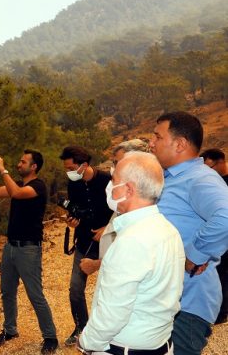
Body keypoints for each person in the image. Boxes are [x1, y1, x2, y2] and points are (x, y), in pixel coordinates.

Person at [77, 151, 184, 355]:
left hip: (124, 348)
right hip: (159, 344)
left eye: (114, 180)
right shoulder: (168, 230)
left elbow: (113, 313)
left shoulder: (130, 240)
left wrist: (87, 342)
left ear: (128, 189)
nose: (109, 186)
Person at [150, 111, 228, 354]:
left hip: (188, 305)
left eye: (157, 137)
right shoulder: (170, 179)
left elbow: (226, 215)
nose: (151, 143)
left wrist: (196, 254)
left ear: (180, 143)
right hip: (166, 302)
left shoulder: (199, 179)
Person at [0, 150, 59, 354]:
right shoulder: (17, 185)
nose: (19, 164)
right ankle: (10, 330)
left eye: (23, 161)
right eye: (18, 161)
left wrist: (3, 169)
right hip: (10, 247)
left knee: (35, 295)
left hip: (28, 249)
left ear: (34, 166)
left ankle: (50, 337)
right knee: (7, 291)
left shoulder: (37, 186)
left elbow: (17, 194)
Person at [58, 146, 113, 345]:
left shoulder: (108, 180)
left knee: (111, 288)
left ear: (85, 165)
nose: (68, 172)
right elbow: (76, 210)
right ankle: (81, 327)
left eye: (71, 168)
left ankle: (109, 331)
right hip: (83, 241)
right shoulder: (73, 184)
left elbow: (123, 211)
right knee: (75, 288)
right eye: (66, 168)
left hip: (110, 242)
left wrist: (107, 228)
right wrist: (72, 220)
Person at [79, 139, 150, 276]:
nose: (114, 168)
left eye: (119, 163)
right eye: (114, 163)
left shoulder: (145, 212)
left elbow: (130, 258)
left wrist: (96, 264)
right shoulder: (124, 207)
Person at [200, 148, 228, 325]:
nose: (207, 172)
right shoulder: (212, 183)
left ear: (221, 162)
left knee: (224, 274)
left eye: (209, 167)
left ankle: (221, 312)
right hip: (218, 235)